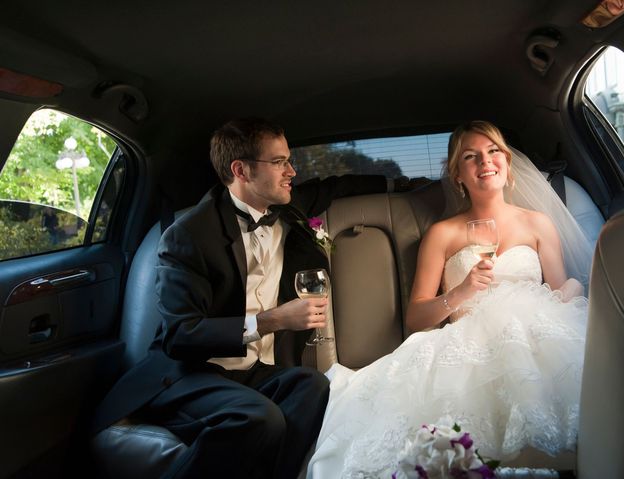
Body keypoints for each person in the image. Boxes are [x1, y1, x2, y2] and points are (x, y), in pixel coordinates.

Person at [92, 117, 397, 478]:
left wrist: (420, 185)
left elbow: (339, 186)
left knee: (314, 385)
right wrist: (273, 320)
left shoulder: (287, 205)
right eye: (280, 162)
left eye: (289, 160)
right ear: (242, 170)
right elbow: (179, 335)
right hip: (188, 374)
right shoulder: (188, 235)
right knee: (259, 417)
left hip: (251, 373)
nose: (292, 171)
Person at [307, 121, 592, 478]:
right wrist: (462, 291)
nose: (485, 162)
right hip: (466, 341)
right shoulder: (443, 234)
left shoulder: (538, 224)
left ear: (506, 162)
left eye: (493, 152)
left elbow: (561, 287)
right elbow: (416, 317)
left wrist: (571, 293)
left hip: (531, 336)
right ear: (458, 174)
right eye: (471, 157)